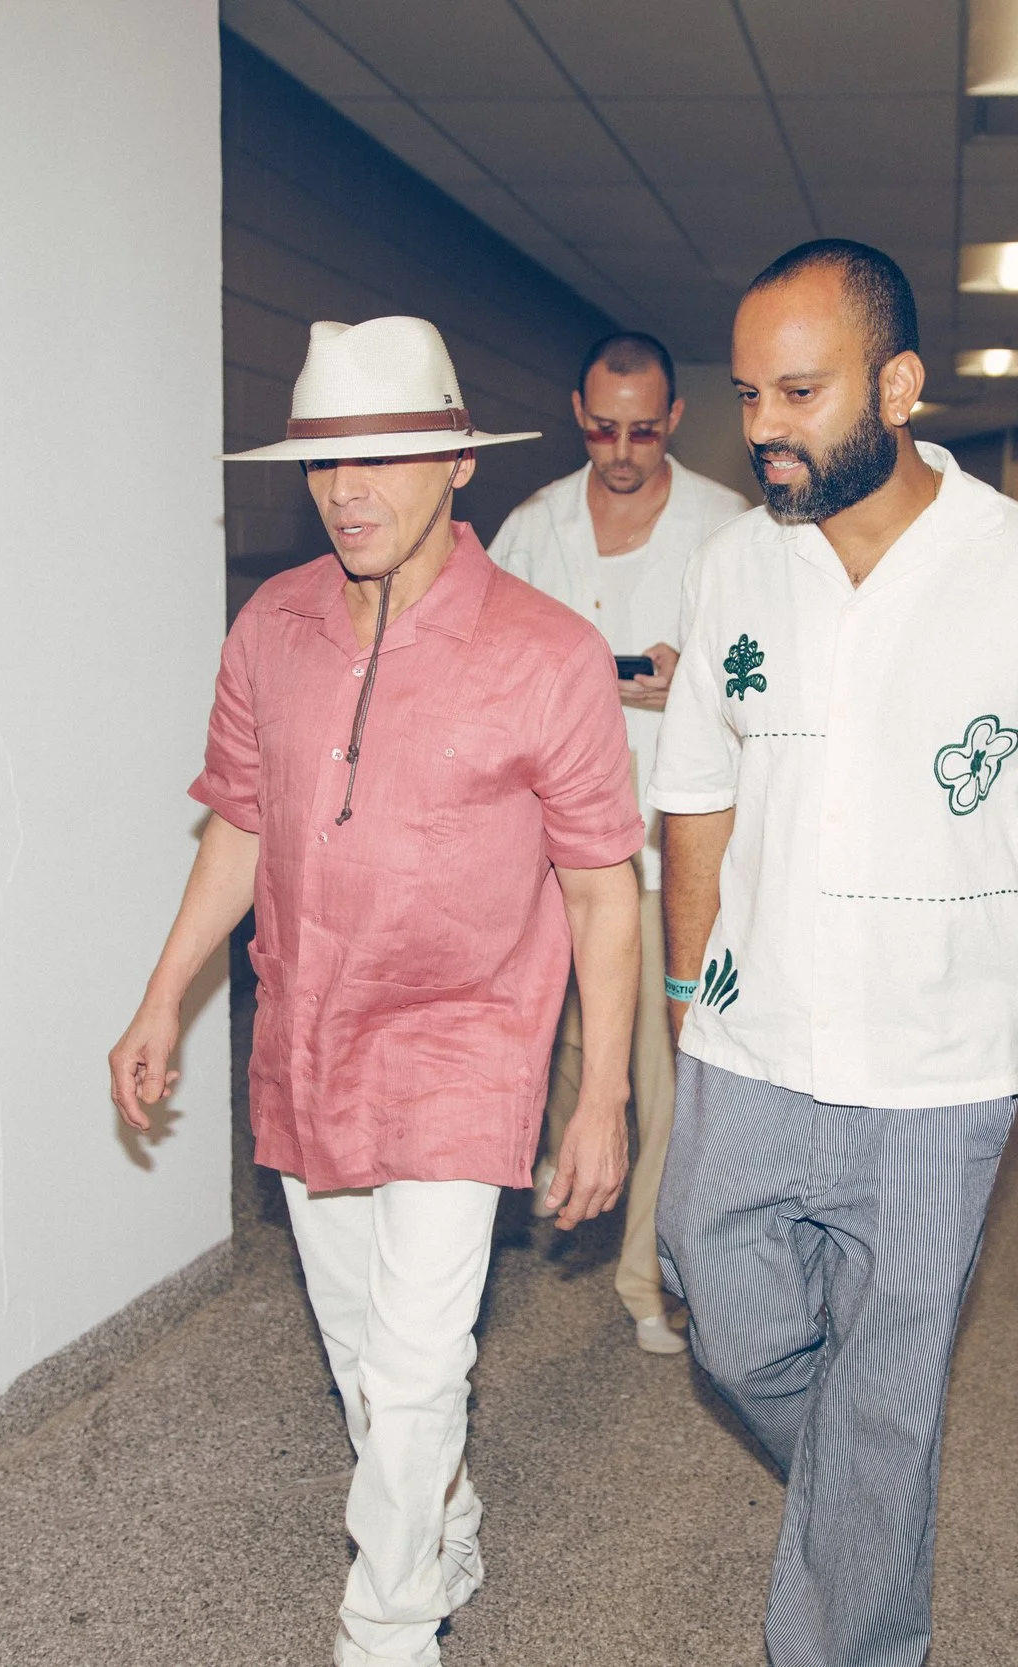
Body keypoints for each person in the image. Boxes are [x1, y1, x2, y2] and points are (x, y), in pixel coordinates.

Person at [106, 316, 645, 1667]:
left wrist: (604, 1094)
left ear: (458, 461)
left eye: (388, 457)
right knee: (364, 1352)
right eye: (324, 463)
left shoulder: (550, 652)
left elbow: (598, 886)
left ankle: (387, 1628)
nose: (352, 490)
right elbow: (241, 820)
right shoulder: (271, 625)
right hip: (310, 1028)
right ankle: (443, 1505)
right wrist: (163, 991)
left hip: (472, 1039)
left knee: (415, 1363)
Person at [650, 239, 1018, 1667]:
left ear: (902, 384)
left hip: (944, 1076)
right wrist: (689, 1003)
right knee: (729, 1324)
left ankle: (860, 1639)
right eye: (748, 393)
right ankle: (867, 1496)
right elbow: (696, 799)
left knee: (890, 1387)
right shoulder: (732, 568)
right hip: (752, 1044)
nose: (761, 427)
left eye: (798, 391)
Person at [488, 330, 748, 1355]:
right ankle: (566, 1178)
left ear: (675, 419)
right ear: (577, 413)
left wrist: (696, 676)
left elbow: (772, 691)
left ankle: (647, 1272)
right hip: (538, 846)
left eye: (644, 429)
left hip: (659, 852)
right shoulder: (533, 527)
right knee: (557, 1044)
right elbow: (482, 662)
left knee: (660, 1060)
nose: (623, 449)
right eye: (604, 427)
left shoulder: (726, 532)